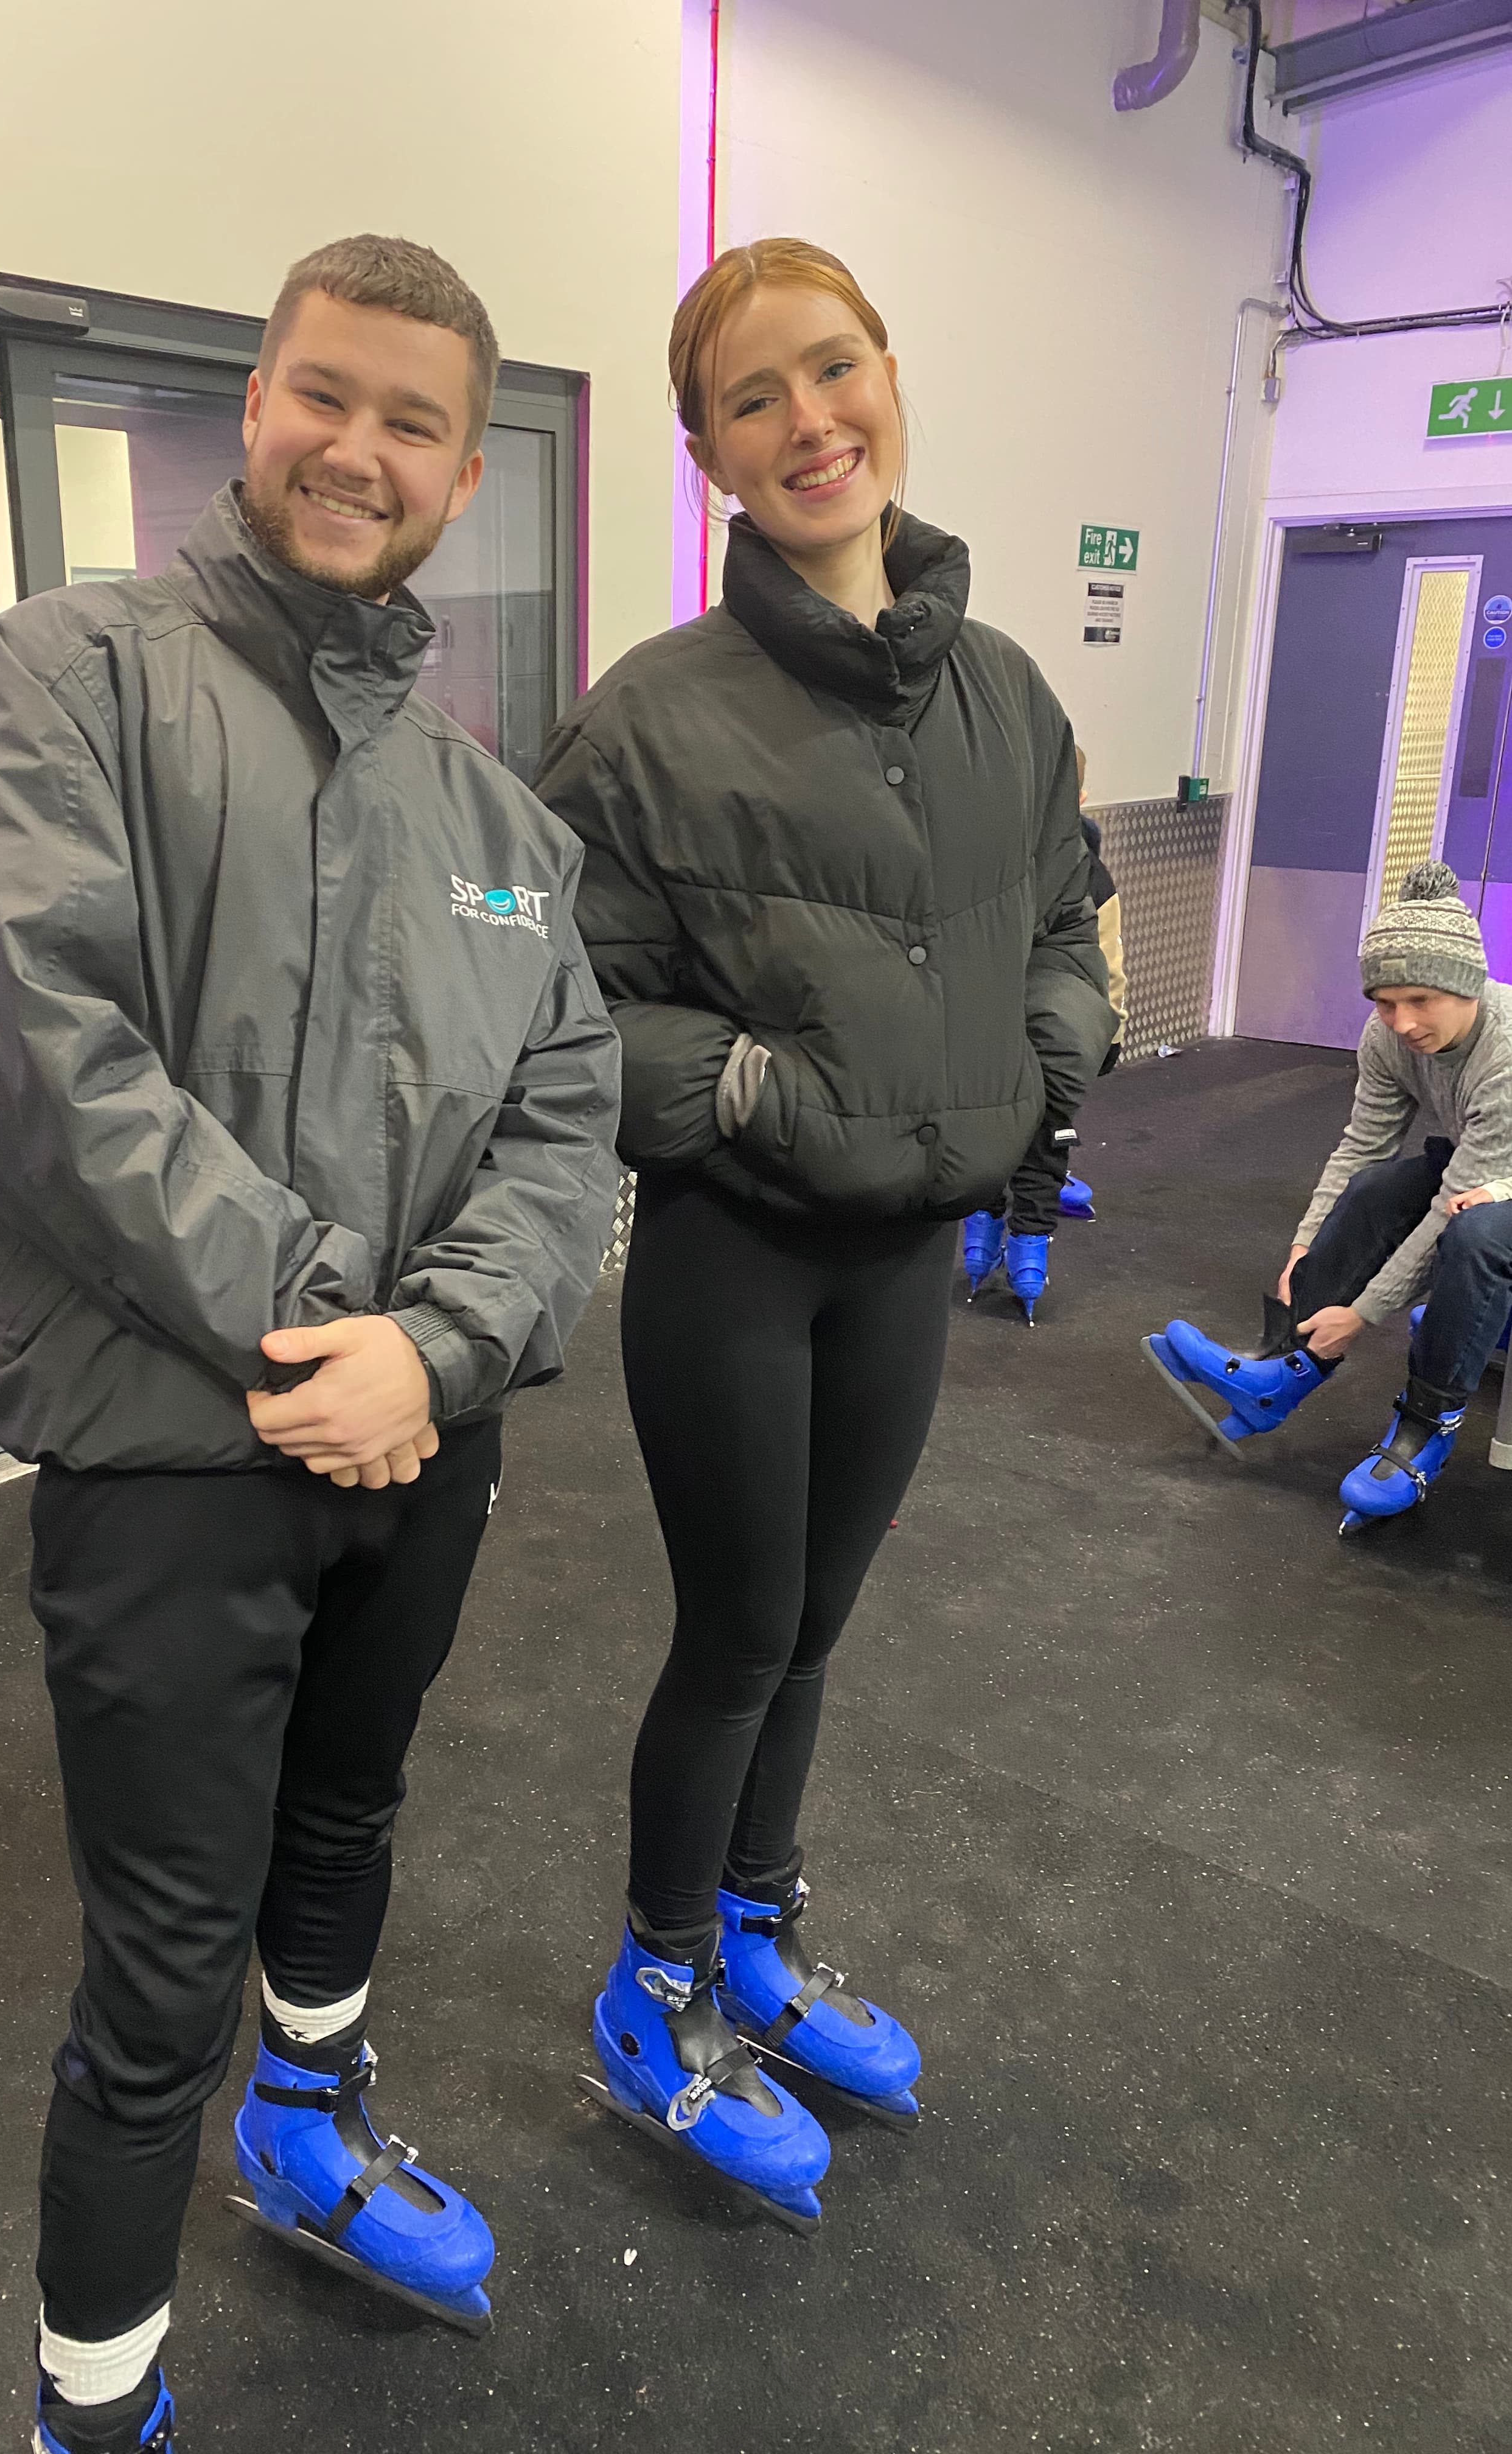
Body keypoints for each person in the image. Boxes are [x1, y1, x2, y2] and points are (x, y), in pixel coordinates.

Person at [0, 234, 621, 2450]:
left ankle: (313, 2124)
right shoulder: (63, 675)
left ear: (457, 473)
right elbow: (18, 1036)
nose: (358, 447)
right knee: (159, 1963)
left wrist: (451, 1344)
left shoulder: (499, 823)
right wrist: (338, 1324)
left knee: (349, 1815)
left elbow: (564, 1115)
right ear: (254, 404)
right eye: (327, 394)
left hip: (424, 1434)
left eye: (412, 420)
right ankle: (89, 2403)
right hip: (169, 1444)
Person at [534, 237, 1114, 2223]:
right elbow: (561, 1001)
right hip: (737, 1249)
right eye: (755, 396)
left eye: (833, 368)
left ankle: (757, 1940)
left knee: (824, 1629)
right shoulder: (651, 719)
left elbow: (1065, 910)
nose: (809, 420)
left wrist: (1043, 1065)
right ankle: (652, 1989)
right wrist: (752, 1094)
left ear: (889, 377)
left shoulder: (1009, 694)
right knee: (740, 1631)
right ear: (705, 449)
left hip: (906, 1258)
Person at [1144, 860, 1512, 1534]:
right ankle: (1282, 1371)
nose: (1400, 1022)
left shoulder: (1506, 1049)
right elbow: (1361, 1148)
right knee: (1380, 1187)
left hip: (1498, 1186)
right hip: (1483, 1170)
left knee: (1477, 1235)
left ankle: (1424, 1426)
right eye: (1385, 1001)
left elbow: (1457, 1205)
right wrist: (1303, 1251)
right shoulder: (1389, 1040)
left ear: (1465, 989)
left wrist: (1363, 1316)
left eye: (1420, 1001)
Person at [963, 750, 1129, 1316]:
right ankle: (1024, 1246)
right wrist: (1108, 1031)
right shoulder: (1089, 869)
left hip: (1010, 1020)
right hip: (1051, 1022)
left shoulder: (994, 852)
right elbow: (1109, 960)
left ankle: (997, 1237)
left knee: (1013, 1129)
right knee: (1042, 1134)